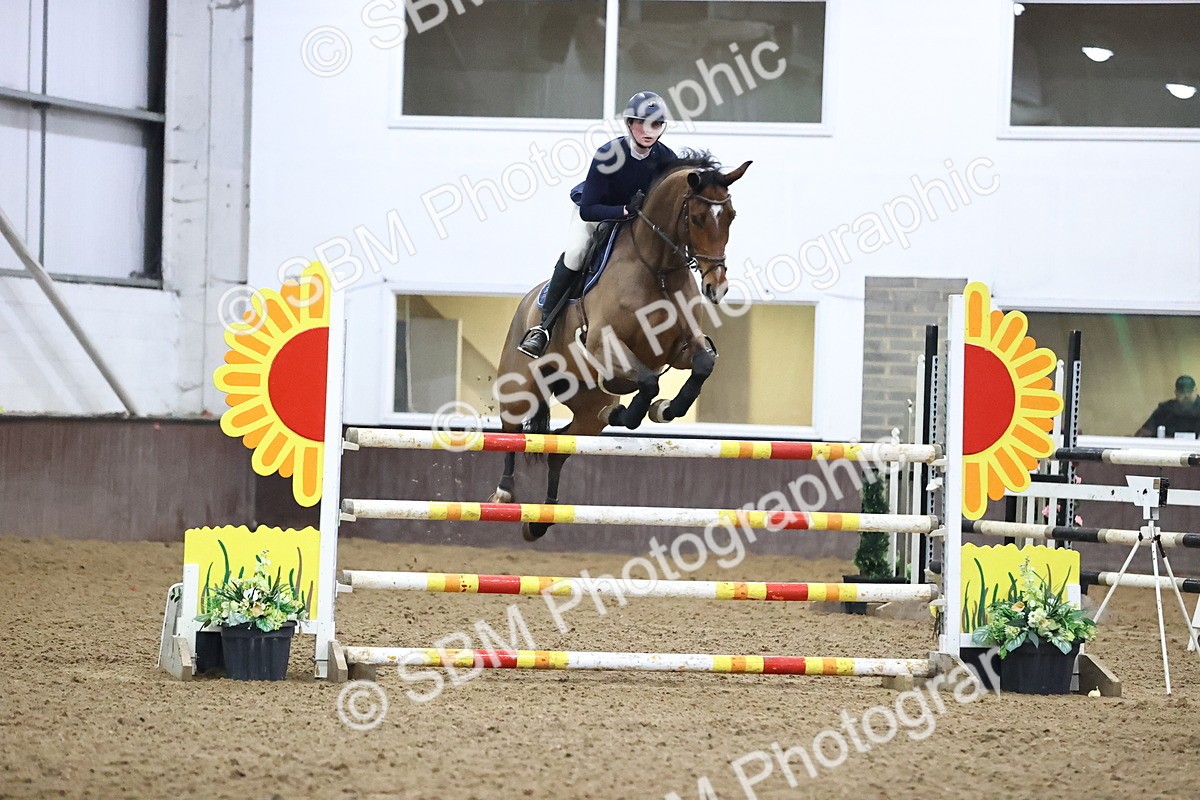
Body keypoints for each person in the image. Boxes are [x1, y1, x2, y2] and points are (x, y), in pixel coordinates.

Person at [517, 91, 678, 359]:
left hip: (637, 223)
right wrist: (624, 210)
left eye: (657, 124)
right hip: (598, 213)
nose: (649, 130)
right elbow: (588, 210)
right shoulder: (608, 155)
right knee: (577, 253)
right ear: (629, 124)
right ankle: (543, 327)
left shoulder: (667, 159)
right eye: (643, 123)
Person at [1136, 375, 1200, 437]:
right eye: (1182, 392)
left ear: (1196, 391)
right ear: (1176, 393)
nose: (1186, 395)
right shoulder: (1166, 410)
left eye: (1190, 391)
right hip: (1170, 447)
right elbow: (1144, 432)